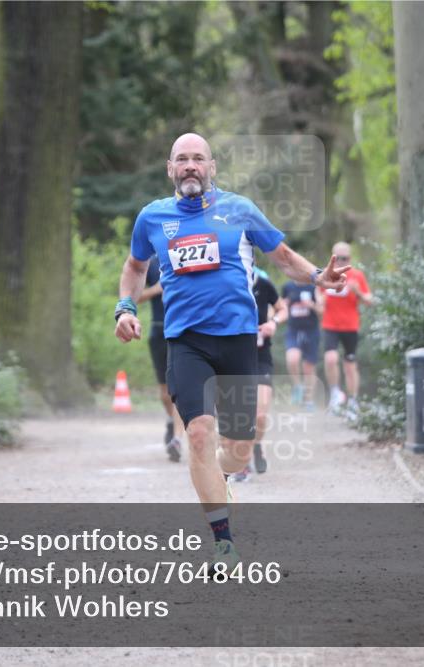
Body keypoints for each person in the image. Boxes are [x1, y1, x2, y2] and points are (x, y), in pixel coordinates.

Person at [114, 133, 348, 570]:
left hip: (239, 339)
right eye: (181, 159)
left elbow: (281, 256)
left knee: (239, 447)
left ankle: (221, 479)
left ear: (212, 167)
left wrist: (319, 275)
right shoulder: (153, 217)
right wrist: (125, 307)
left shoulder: (239, 209)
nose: (190, 166)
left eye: (197, 159)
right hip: (186, 341)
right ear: (170, 169)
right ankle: (223, 542)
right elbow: (135, 267)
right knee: (199, 434)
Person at [231, 266, 286, 481]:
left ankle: (256, 444)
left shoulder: (263, 284)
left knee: (260, 415)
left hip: (261, 358)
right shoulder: (226, 284)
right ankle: (242, 463)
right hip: (233, 357)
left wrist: (273, 323)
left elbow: (282, 309)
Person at [317, 241, 372, 417]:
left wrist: (358, 292)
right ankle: (335, 394)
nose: (341, 262)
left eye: (345, 258)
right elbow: (318, 301)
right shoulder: (325, 275)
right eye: (337, 258)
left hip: (350, 326)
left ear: (350, 258)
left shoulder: (357, 276)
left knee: (350, 365)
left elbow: (369, 301)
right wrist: (319, 302)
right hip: (330, 325)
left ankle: (353, 401)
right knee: (330, 358)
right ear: (332, 258)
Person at [139, 255, 185, 462]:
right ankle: (171, 420)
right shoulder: (151, 263)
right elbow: (135, 297)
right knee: (166, 393)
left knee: (180, 389)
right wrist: (157, 288)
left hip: (184, 332)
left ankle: (177, 438)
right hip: (159, 332)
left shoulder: (188, 254)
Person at [278, 279, 322, 411]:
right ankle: (298, 386)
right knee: (292, 359)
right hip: (293, 330)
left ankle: (308, 401)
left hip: (311, 331)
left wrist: (311, 305)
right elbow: (279, 308)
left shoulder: (313, 288)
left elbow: (322, 311)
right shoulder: (287, 287)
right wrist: (284, 305)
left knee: (308, 368)